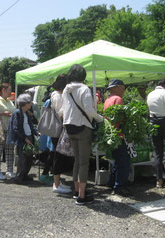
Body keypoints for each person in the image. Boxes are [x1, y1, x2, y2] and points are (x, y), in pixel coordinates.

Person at [61, 64, 103, 205]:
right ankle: (82, 196)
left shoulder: (66, 90)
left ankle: (76, 190)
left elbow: (64, 110)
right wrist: (99, 118)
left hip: (69, 127)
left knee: (77, 160)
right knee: (84, 162)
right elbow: (89, 110)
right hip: (83, 127)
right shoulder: (84, 89)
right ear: (83, 76)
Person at [104, 79, 131, 196]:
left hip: (110, 134)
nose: (124, 90)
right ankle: (119, 186)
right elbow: (120, 118)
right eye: (123, 88)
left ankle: (112, 183)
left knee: (117, 161)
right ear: (116, 88)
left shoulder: (107, 100)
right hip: (118, 134)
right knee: (124, 161)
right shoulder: (118, 99)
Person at [7, 93, 39, 184]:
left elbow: (31, 125)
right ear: (25, 103)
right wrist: (25, 138)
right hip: (23, 138)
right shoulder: (17, 113)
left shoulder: (26, 113)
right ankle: (19, 177)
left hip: (29, 136)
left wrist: (36, 132)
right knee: (23, 158)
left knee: (29, 157)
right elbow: (16, 128)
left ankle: (24, 175)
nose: (31, 104)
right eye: (29, 102)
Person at [49, 74, 72, 194]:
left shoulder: (57, 94)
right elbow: (60, 114)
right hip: (58, 130)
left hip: (57, 130)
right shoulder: (57, 95)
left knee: (59, 156)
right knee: (58, 156)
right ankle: (56, 184)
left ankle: (57, 183)